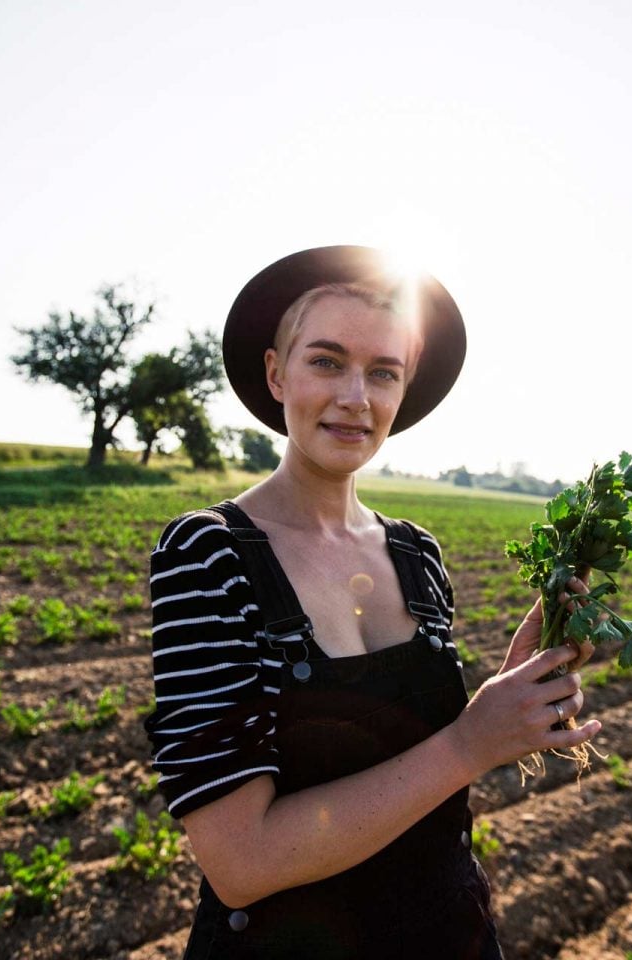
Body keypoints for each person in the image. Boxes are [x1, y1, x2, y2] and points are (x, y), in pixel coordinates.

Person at [144, 246, 601, 960]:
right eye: (327, 361)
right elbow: (240, 864)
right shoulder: (209, 555)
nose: (357, 396)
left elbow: (416, 772)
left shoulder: (417, 555)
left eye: (384, 372)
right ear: (276, 373)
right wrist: (469, 742)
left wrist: (511, 695)